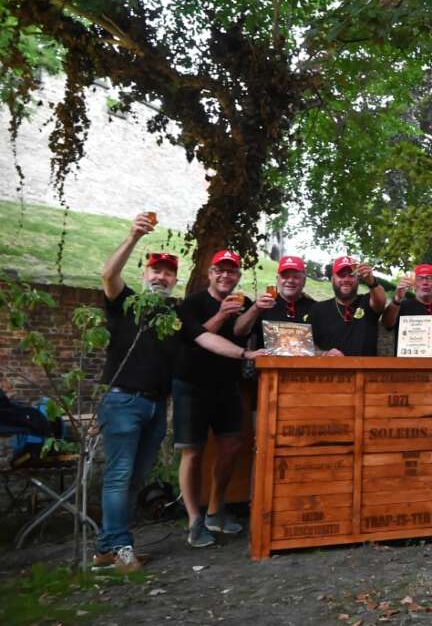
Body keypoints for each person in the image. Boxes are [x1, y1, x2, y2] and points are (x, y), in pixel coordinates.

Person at [97, 218, 261, 570]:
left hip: (157, 402)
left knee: (133, 477)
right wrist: (134, 235)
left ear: (176, 279)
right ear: (144, 274)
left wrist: (246, 354)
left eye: (168, 273)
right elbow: (108, 275)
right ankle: (116, 547)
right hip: (124, 399)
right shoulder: (127, 302)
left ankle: (110, 548)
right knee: (120, 476)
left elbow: (205, 338)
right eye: (155, 271)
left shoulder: (174, 312)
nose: (161, 277)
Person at [172, 249, 259, 548]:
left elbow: (241, 331)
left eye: (231, 271)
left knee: (232, 445)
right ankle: (194, 520)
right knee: (192, 451)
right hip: (191, 384)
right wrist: (222, 314)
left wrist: (254, 309)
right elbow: (197, 337)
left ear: (237, 276)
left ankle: (215, 510)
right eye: (220, 270)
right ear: (210, 273)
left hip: (227, 384)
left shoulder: (242, 302)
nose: (225, 275)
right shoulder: (192, 303)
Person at [310, 256, 387, 356]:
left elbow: (381, 302)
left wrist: (372, 281)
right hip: (330, 366)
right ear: (332, 279)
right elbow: (307, 345)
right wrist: (324, 354)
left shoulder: (367, 301)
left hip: (365, 366)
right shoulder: (318, 309)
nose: (346, 279)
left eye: (351, 275)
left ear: (358, 279)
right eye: (341, 275)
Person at [234, 255, 316, 344]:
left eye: (296, 277)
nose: (290, 280)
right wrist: (255, 308)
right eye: (285, 276)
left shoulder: (315, 308)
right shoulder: (263, 304)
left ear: (304, 281)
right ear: (277, 280)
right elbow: (238, 332)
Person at [381, 263, 432, 357]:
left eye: (429, 278)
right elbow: (387, 324)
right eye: (419, 278)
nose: (425, 282)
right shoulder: (402, 306)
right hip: (406, 364)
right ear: (414, 284)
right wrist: (397, 299)